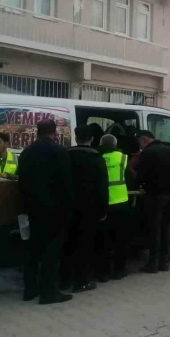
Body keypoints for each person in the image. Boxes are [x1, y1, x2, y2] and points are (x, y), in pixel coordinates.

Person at [18, 120, 74, 305]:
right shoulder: (59, 152)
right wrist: (69, 207)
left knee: (33, 249)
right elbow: (66, 183)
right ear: (54, 132)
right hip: (54, 209)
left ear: (37, 132)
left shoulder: (26, 152)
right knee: (51, 251)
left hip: (32, 208)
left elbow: (21, 181)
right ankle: (49, 293)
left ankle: (30, 290)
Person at [61, 125, 108, 292]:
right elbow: (102, 187)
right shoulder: (96, 157)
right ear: (92, 139)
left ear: (75, 136)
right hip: (89, 208)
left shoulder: (66, 155)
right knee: (85, 244)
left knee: (67, 243)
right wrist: (103, 210)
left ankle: (64, 280)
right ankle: (81, 281)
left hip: (67, 206)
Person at [136, 131, 170, 272]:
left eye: (140, 143)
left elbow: (141, 175)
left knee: (154, 230)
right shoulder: (169, 151)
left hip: (155, 196)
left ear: (144, 139)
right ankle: (164, 262)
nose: (140, 146)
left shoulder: (148, 153)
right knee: (167, 229)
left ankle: (152, 264)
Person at [97, 134, 134, 279]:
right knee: (121, 239)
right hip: (121, 202)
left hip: (104, 204)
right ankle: (119, 270)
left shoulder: (98, 156)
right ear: (115, 143)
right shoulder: (122, 157)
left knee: (103, 240)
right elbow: (130, 176)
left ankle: (103, 273)